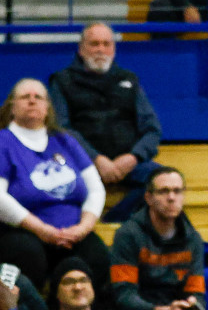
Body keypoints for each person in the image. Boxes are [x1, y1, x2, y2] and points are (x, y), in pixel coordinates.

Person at [0, 79, 110, 295]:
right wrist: (42, 230)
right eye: (25, 97)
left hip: (73, 232)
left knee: (96, 256)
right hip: (22, 232)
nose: (32, 101)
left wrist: (83, 228)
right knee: (27, 255)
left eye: (38, 97)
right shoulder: (3, 142)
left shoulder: (65, 140)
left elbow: (96, 189)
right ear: (12, 106)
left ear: (48, 107)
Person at [48, 23, 162, 223]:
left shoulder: (129, 80)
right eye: (94, 44)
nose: (100, 49)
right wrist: (96, 159)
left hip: (128, 164)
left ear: (114, 49)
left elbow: (152, 129)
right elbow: (61, 129)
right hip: (81, 164)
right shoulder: (62, 81)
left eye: (106, 44)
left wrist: (133, 157)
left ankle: (113, 222)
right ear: (81, 49)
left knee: (164, 179)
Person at [110, 167, 205, 310]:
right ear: (148, 198)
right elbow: (124, 294)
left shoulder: (193, 239)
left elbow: (197, 292)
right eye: (164, 191)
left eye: (177, 191)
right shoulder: (127, 235)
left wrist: (192, 303)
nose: (171, 198)